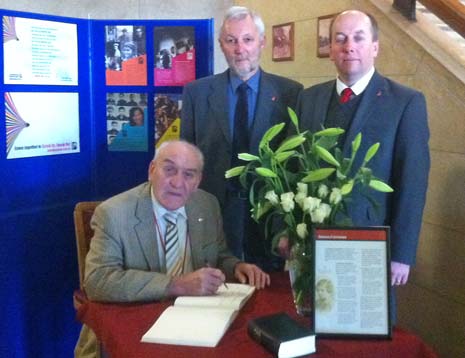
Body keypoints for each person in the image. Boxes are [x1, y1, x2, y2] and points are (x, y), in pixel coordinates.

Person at [291, 10, 430, 323]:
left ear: (375, 47)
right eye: (339, 39)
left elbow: (413, 182)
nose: (348, 46)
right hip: (314, 246)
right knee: (315, 328)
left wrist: (402, 254)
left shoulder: (405, 102)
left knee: (366, 336)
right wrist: (288, 232)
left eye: (358, 38)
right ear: (330, 49)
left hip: (371, 247)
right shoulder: (308, 99)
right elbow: (295, 169)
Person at [75, 140, 270, 357]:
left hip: (197, 324)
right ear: (151, 170)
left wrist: (236, 266)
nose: (178, 182)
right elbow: (97, 281)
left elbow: (219, 254)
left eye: (189, 174)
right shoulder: (114, 213)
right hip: (136, 326)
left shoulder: (207, 205)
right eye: (169, 170)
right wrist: (176, 285)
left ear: (198, 181)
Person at [181, 6, 303, 272]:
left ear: (262, 42)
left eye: (247, 39)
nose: (240, 49)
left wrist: (288, 225)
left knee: (266, 295)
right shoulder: (196, 94)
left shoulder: (290, 93)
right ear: (221, 45)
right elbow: (185, 162)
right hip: (213, 214)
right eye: (231, 40)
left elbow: (295, 166)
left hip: (269, 216)